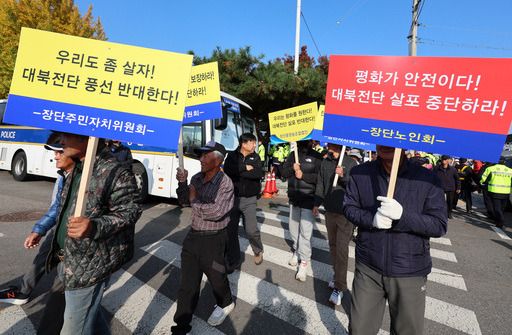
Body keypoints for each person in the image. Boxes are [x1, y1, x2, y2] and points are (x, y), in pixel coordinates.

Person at [41, 133, 142, 335]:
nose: (60, 142)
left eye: (66, 137)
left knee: (74, 329)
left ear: (87, 139)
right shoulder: (76, 167)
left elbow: (130, 211)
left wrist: (94, 227)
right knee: (91, 318)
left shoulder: (115, 171)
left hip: (89, 264)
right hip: (67, 258)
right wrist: (41, 230)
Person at [344, 145, 447, 335]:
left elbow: (439, 225)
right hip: (368, 266)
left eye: (393, 138)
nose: (386, 144)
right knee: (359, 330)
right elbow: (349, 207)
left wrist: (403, 216)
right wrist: (371, 219)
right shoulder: (360, 173)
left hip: (410, 268)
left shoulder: (428, 179)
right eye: (381, 138)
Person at [0, 135, 73, 308]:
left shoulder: (88, 178)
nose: (54, 156)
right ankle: (23, 291)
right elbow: (58, 207)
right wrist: (38, 230)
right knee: (45, 253)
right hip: (61, 229)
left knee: (66, 301)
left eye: (59, 152)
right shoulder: (65, 176)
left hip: (77, 243)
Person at [172, 141, 235, 334]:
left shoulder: (225, 183)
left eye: (205, 156)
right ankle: (182, 326)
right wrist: (183, 183)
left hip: (214, 240)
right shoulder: (197, 178)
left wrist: (194, 200)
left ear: (217, 160)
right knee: (187, 284)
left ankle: (225, 302)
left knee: (217, 277)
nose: (201, 159)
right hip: (193, 237)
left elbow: (216, 211)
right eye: (201, 156)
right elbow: (184, 201)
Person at [313, 143, 357, 305]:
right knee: (332, 246)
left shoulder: (351, 163)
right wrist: (317, 203)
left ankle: (340, 286)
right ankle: (336, 274)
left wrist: (344, 175)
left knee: (341, 250)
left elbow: (355, 188)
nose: (328, 146)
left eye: (331, 145)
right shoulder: (326, 162)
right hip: (329, 211)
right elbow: (320, 184)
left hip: (345, 214)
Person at [280, 140, 322, 282]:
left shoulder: (317, 156)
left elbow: (319, 178)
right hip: (294, 198)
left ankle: (304, 262)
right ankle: (296, 250)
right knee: (293, 229)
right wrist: (292, 168)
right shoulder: (293, 155)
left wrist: (302, 175)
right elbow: (284, 173)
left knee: (305, 231)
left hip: (309, 199)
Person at [224, 133, 264, 273]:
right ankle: (233, 260)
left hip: (249, 200)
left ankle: (258, 250)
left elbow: (258, 174)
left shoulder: (256, 157)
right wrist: (245, 168)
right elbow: (228, 170)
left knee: (251, 230)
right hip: (232, 199)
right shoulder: (232, 156)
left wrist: (239, 170)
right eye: (252, 143)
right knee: (230, 231)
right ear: (244, 144)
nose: (255, 145)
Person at [480, 158, 512, 229]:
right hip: (506, 192)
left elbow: (483, 178)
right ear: (504, 162)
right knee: (502, 208)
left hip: (494, 191)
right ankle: (498, 221)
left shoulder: (490, 168)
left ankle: (502, 222)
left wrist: (482, 183)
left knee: (497, 208)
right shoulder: (510, 170)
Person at [435, 155, 461, 219]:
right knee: (439, 201)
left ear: (448, 160)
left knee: (450, 201)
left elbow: (457, 179)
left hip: (450, 187)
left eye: (445, 160)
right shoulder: (437, 168)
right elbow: (433, 177)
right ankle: (439, 213)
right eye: (443, 159)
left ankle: (449, 213)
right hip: (440, 187)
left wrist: (458, 188)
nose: (444, 161)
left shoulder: (453, 169)